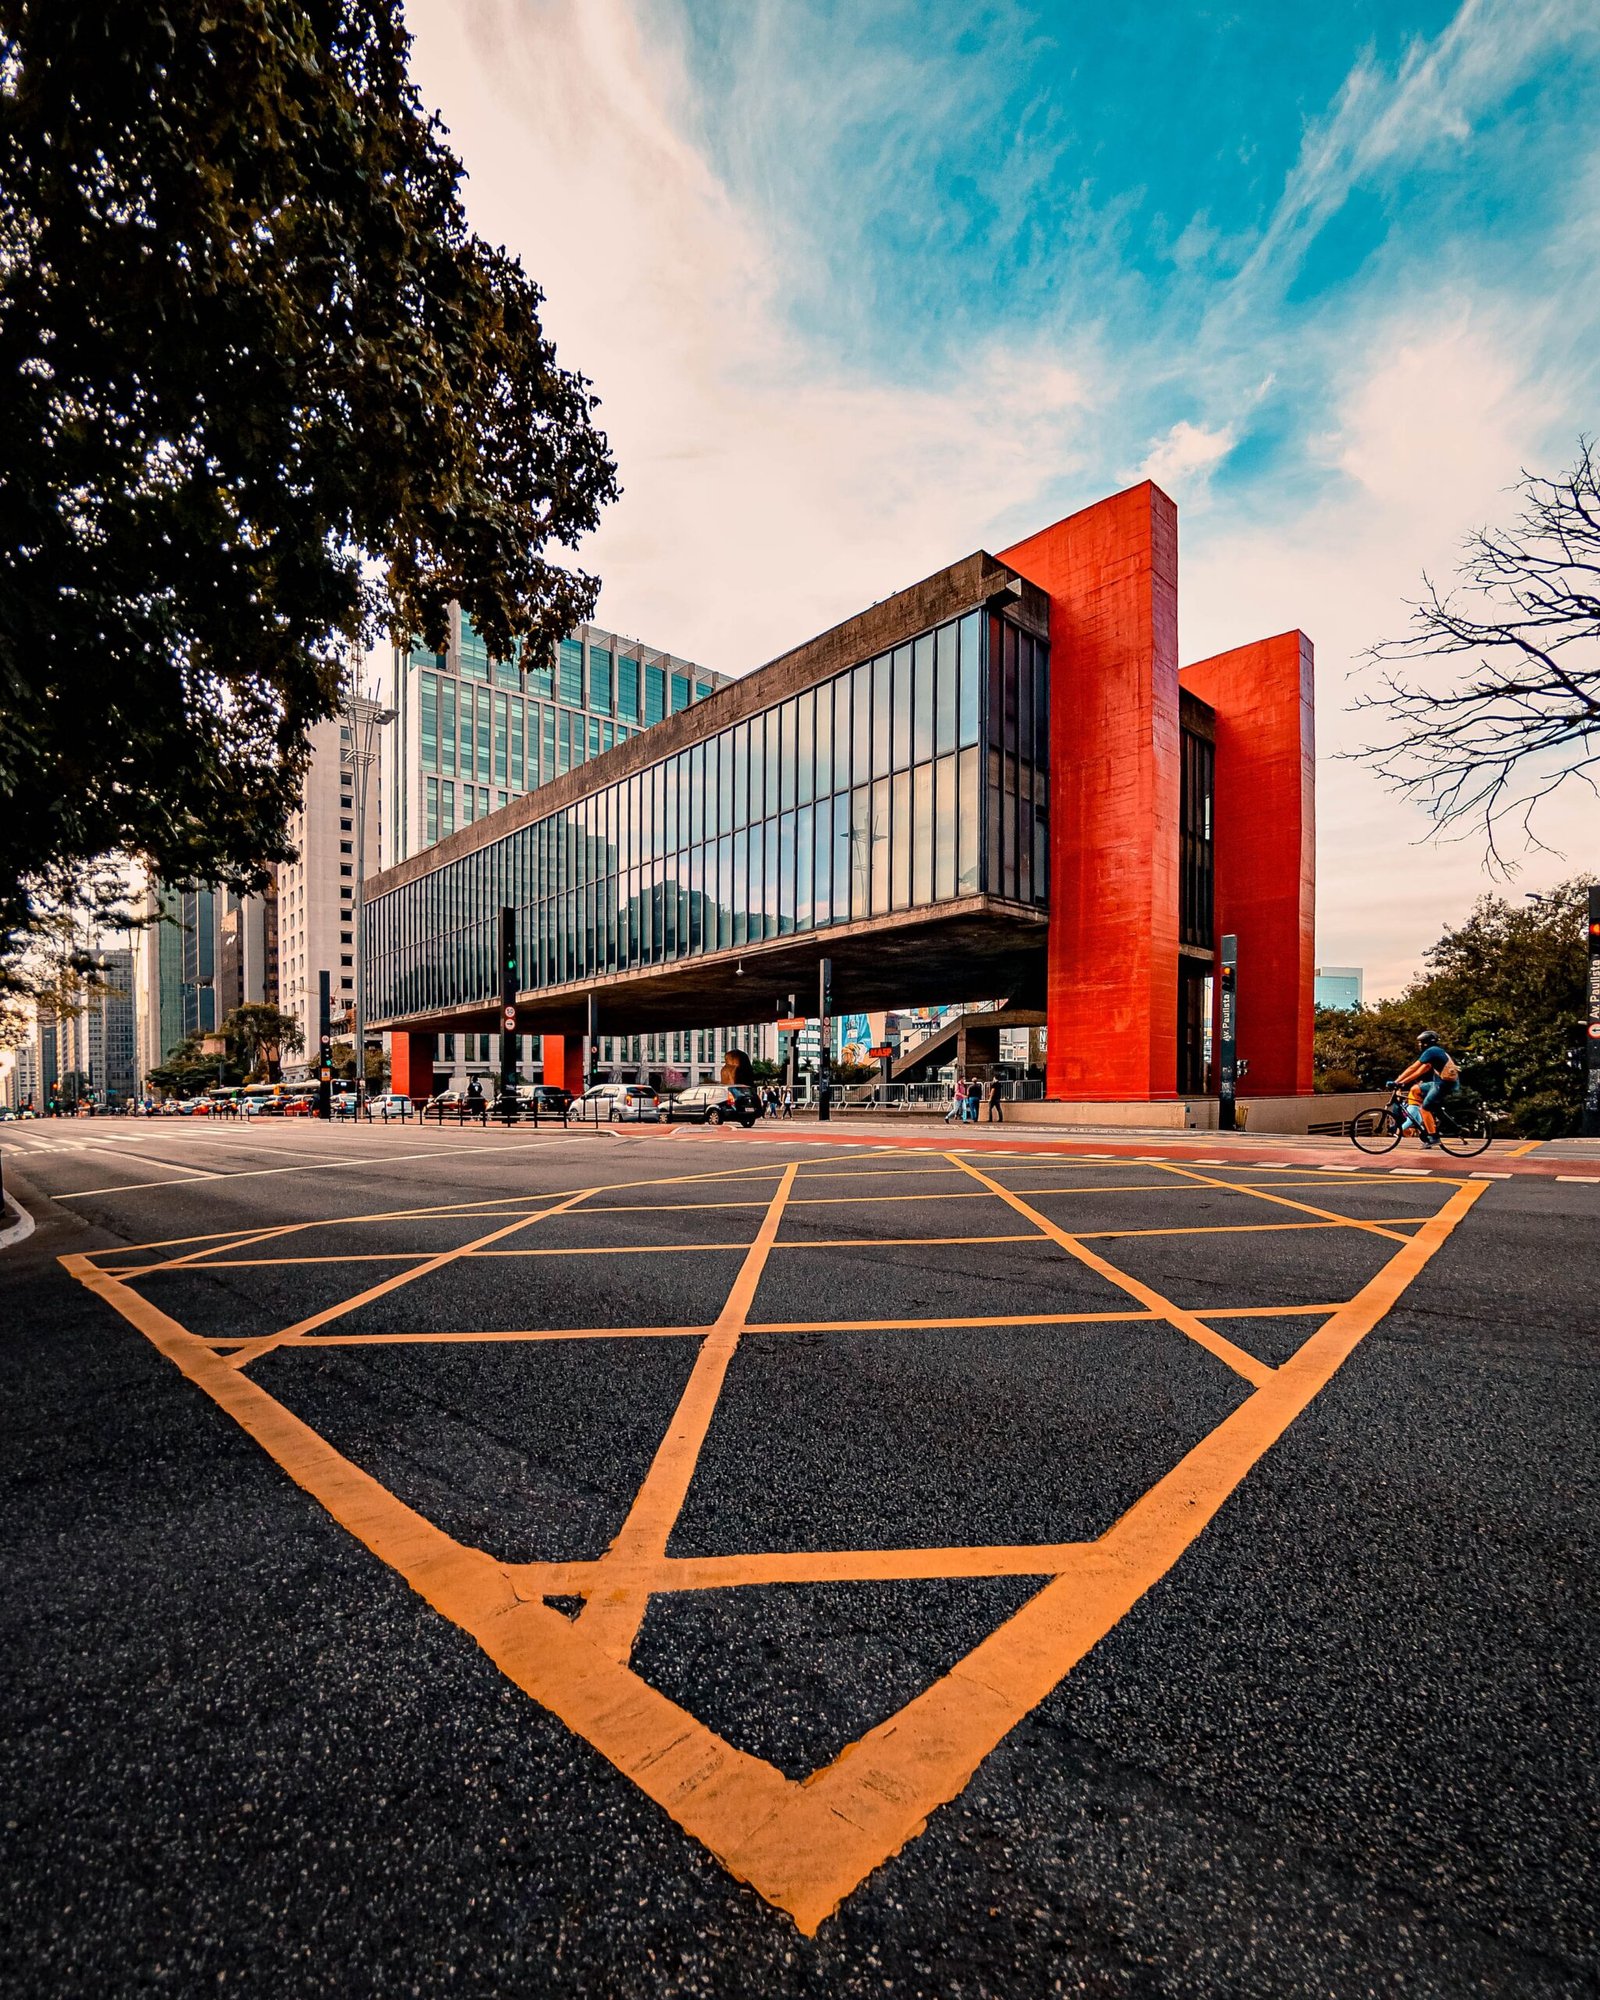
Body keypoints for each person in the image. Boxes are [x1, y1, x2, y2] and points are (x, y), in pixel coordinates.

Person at [1391, 1031, 1459, 1146]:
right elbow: (1421, 1070)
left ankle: (1434, 1137)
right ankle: (1434, 1122)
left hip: (1443, 1084)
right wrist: (1403, 1083)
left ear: (1426, 1043)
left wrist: (1396, 1082)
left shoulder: (1431, 1051)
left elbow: (1413, 1068)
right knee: (1415, 1089)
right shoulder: (1436, 1052)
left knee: (1425, 1108)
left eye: (1420, 1042)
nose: (1419, 1045)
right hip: (1440, 1082)